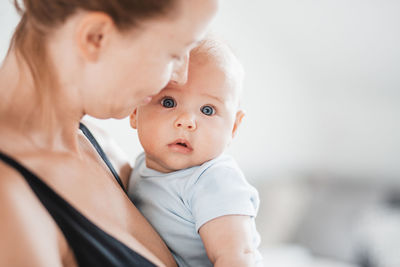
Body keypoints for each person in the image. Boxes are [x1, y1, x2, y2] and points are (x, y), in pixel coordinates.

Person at [0, 0, 219, 266]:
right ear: (95, 37)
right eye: (173, 54)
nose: (180, 77)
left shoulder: (102, 147)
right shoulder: (8, 201)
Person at [128, 38, 262, 267]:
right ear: (134, 111)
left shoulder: (214, 180)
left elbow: (237, 257)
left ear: (233, 128)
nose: (186, 121)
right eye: (168, 102)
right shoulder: (141, 165)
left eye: (207, 110)